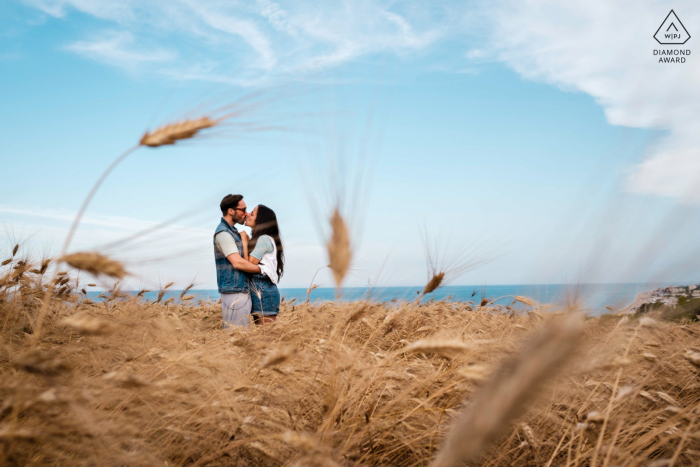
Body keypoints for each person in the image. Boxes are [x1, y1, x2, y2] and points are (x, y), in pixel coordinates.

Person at [214, 194, 261, 328]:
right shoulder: (224, 233)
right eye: (243, 209)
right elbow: (237, 262)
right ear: (231, 211)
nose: (246, 213)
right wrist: (263, 270)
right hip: (234, 291)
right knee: (234, 336)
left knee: (241, 336)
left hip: (240, 289)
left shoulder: (233, 232)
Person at [239, 205, 284, 324]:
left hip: (264, 291)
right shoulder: (263, 239)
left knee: (266, 336)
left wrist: (244, 243)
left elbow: (248, 264)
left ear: (260, 221)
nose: (247, 214)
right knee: (262, 337)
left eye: (252, 214)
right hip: (260, 290)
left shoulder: (264, 239)